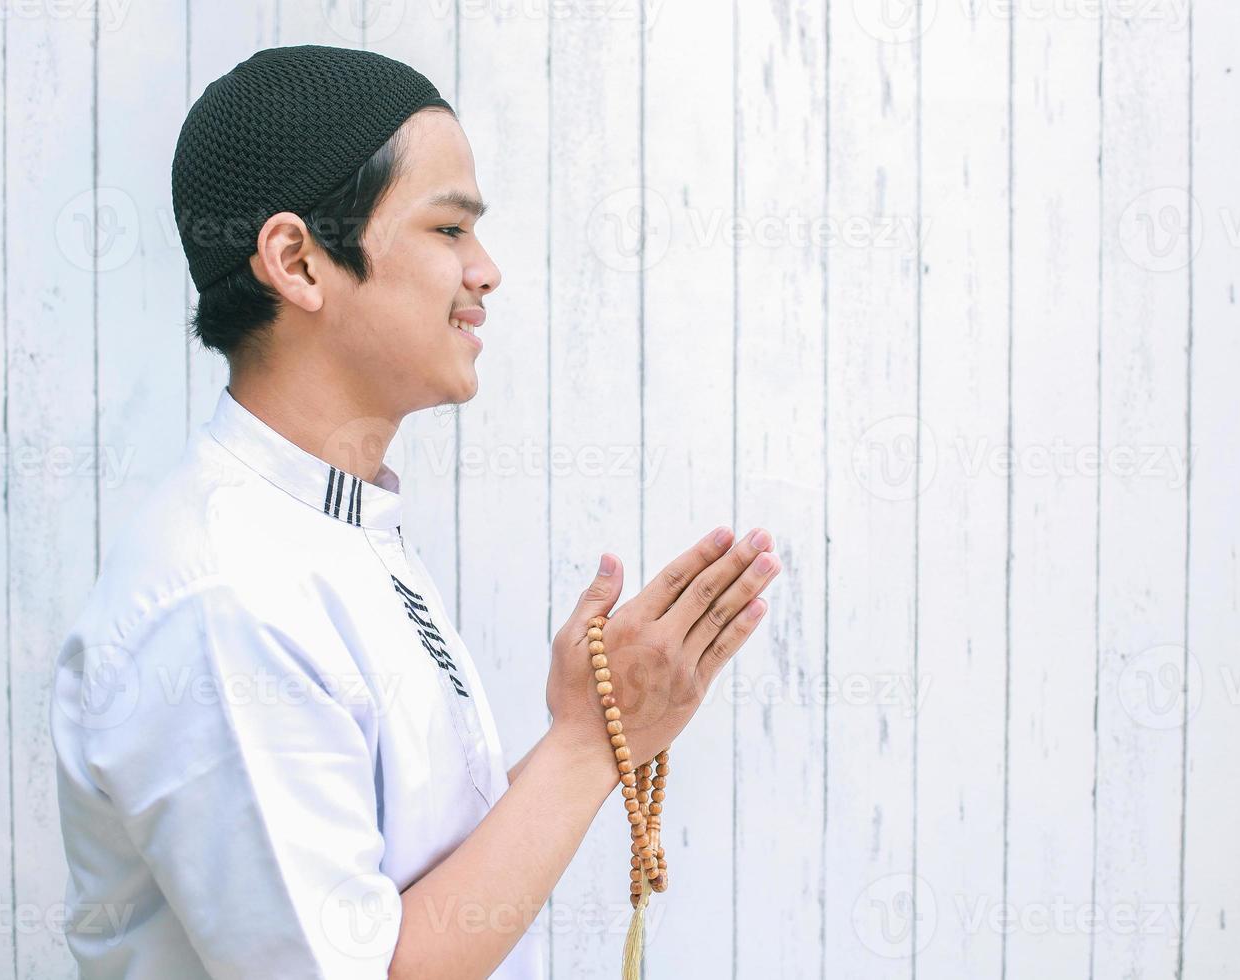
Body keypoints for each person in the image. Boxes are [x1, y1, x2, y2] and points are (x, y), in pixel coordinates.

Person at [49, 44, 782, 980]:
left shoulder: (329, 534)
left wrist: (588, 729)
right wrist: (592, 743)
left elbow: (409, 911)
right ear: (297, 261)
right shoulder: (224, 598)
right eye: (448, 230)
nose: (486, 271)